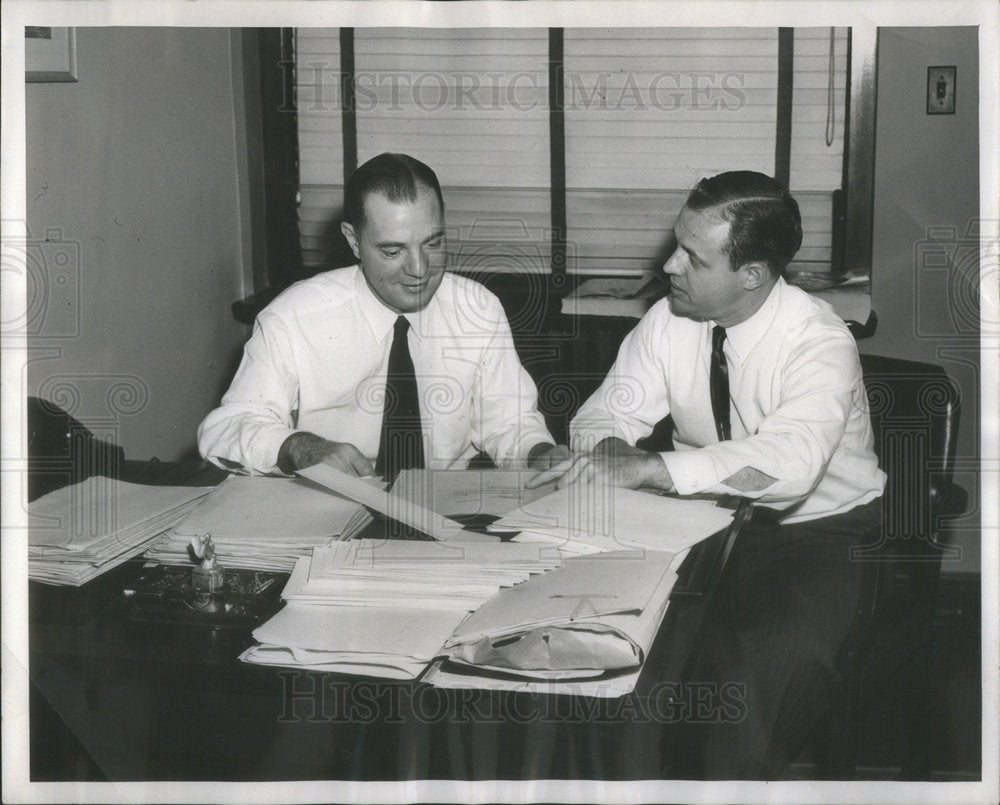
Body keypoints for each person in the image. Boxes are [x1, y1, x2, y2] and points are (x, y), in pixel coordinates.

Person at [529, 170, 886, 778]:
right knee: (616, 656)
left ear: (751, 275)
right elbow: (605, 413)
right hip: (697, 519)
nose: (669, 266)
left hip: (815, 532)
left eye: (692, 257)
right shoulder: (670, 319)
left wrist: (653, 468)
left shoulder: (820, 343)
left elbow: (787, 470)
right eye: (676, 245)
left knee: (757, 681)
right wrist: (608, 449)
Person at [199, 152, 566, 478]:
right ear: (353, 241)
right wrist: (301, 448)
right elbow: (227, 428)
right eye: (393, 251)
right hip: (331, 507)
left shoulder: (478, 309)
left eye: (433, 243)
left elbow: (509, 422)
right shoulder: (293, 317)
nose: (420, 269)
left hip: (446, 508)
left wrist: (538, 453)